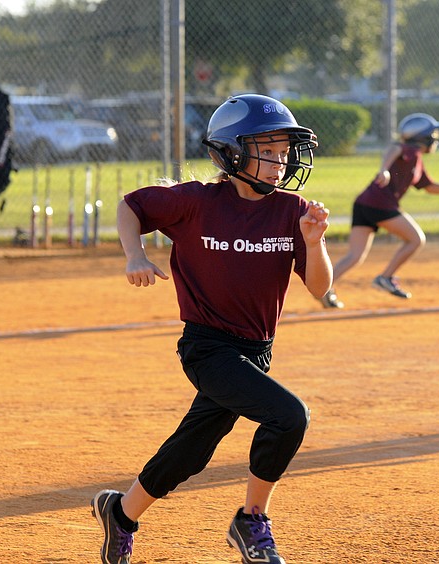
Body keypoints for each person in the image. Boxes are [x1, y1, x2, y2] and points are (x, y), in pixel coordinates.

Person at [91, 94, 332, 564]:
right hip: (208, 348)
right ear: (231, 152)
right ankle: (251, 520)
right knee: (289, 416)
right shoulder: (197, 201)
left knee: (193, 448)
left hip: (257, 350)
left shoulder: (291, 210)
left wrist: (313, 241)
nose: (279, 161)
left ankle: (120, 513)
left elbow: (321, 288)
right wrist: (135, 254)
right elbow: (130, 207)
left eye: (284, 151)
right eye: (267, 149)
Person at [320, 112, 439, 308]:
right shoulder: (408, 150)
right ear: (422, 137)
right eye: (433, 135)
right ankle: (385, 278)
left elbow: (428, 186)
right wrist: (384, 169)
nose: (435, 139)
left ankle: (323, 289)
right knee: (416, 239)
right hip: (380, 205)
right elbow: (394, 147)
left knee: (355, 255)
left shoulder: (416, 159)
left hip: (364, 204)